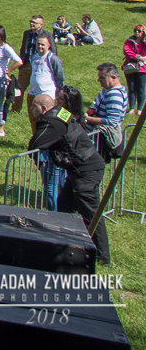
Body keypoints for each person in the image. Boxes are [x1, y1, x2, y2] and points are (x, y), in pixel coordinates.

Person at [28, 88, 109, 264]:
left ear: (43, 108)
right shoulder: (60, 112)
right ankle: (65, 244)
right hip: (80, 168)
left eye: (34, 106)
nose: (31, 110)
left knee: (90, 213)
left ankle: (102, 256)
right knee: (64, 207)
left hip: (86, 170)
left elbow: (36, 143)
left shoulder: (50, 121)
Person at [86, 63, 128, 161]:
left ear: (113, 77)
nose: (98, 80)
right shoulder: (107, 89)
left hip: (99, 141)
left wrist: (88, 119)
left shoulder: (115, 95)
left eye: (102, 77)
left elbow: (112, 121)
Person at [25, 34, 65, 133]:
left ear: (48, 45)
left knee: (46, 119)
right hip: (33, 93)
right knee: (33, 119)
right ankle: (35, 137)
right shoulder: (33, 57)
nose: (40, 46)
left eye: (42, 44)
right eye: (38, 44)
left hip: (46, 94)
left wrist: (58, 92)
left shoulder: (53, 59)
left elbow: (60, 77)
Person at [123, 24, 146, 116]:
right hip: (130, 67)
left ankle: (140, 109)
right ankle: (132, 108)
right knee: (131, 88)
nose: (137, 32)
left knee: (141, 88)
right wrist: (139, 57)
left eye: (139, 31)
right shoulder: (130, 40)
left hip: (142, 69)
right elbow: (126, 51)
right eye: (135, 30)